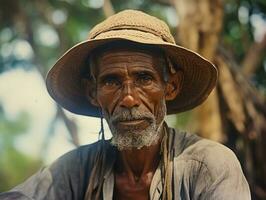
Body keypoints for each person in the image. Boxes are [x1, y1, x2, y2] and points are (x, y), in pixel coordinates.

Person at [0, 9, 250, 200]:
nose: (129, 99)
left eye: (144, 78)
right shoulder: (77, 170)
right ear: (92, 93)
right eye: (111, 81)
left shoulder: (208, 166)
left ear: (170, 87)